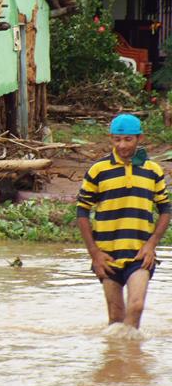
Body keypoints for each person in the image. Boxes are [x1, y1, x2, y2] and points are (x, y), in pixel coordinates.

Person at [76, 113, 170, 329]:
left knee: (136, 307)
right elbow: (82, 210)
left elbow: (165, 208)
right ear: (111, 139)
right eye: (117, 139)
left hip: (140, 253)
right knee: (116, 317)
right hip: (107, 254)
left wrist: (151, 244)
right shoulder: (98, 170)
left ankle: (131, 358)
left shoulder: (153, 171)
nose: (122, 145)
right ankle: (119, 359)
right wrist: (95, 253)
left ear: (139, 139)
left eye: (128, 139)